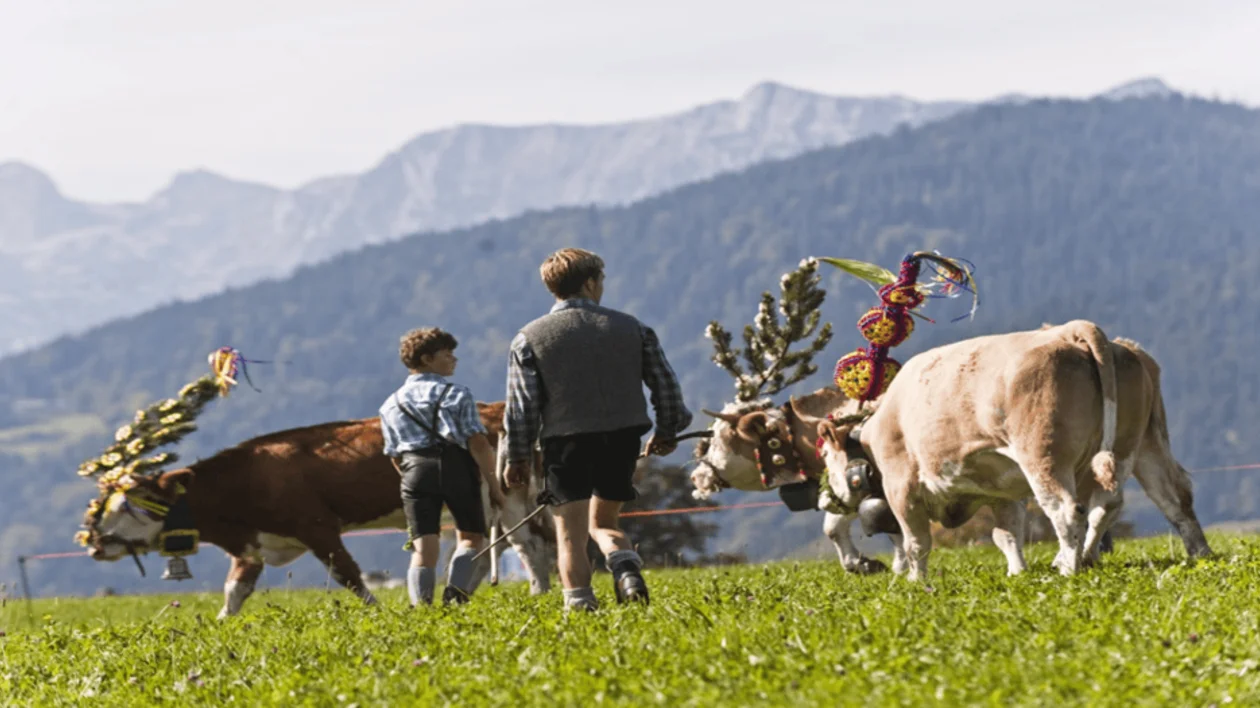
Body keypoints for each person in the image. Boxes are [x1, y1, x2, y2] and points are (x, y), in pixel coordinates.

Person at [503, 247, 693, 612]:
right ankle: (624, 567)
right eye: (601, 280)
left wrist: (518, 457)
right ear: (590, 283)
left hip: (565, 444)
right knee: (604, 521)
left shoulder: (528, 338)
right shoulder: (632, 328)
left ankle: (580, 606)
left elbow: (521, 408)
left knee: (570, 535)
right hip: (621, 438)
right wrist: (667, 430)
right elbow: (666, 386)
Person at [379, 327, 505, 607]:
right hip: (454, 466)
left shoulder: (391, 404)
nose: (454, 360)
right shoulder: (456, 393)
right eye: (447, 354)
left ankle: (421, 607)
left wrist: (409, 480)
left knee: (423, 546)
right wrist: (494, 485)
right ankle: (455, 597)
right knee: (471, 537)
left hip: (413, 470)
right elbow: (478, 443)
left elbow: (393, 453)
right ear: (426, 359)